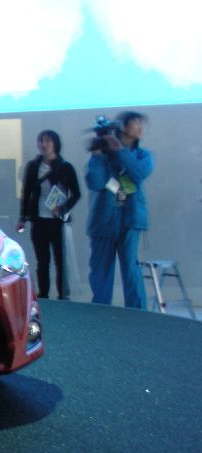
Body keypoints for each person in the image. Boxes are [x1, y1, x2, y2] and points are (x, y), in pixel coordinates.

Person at [85, 111, 153, 309]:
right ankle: (101, 313)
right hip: (103, 219)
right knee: (101, 270)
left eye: (141, 123)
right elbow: (95, 182)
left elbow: (138, 174)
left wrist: (119, 150)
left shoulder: (143, 155)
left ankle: (136, 313)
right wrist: (97, 155)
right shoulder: (103, 155)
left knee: (131, 268)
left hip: (131, 219)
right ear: (123, 126)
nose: (140, 127)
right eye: (135, 123)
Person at [17, 130, 81, 300]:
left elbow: (76, 194)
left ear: (55, 144)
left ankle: (63, 294)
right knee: (42, 260)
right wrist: (23, 217)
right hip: (38, 220)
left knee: (61, 261)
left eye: (48, 141)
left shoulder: (65, 167)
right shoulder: (33, 166)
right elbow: (26, 192)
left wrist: (63, 208)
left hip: (58, 221)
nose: (44, 145)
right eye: (41, 141)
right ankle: (44, 294)